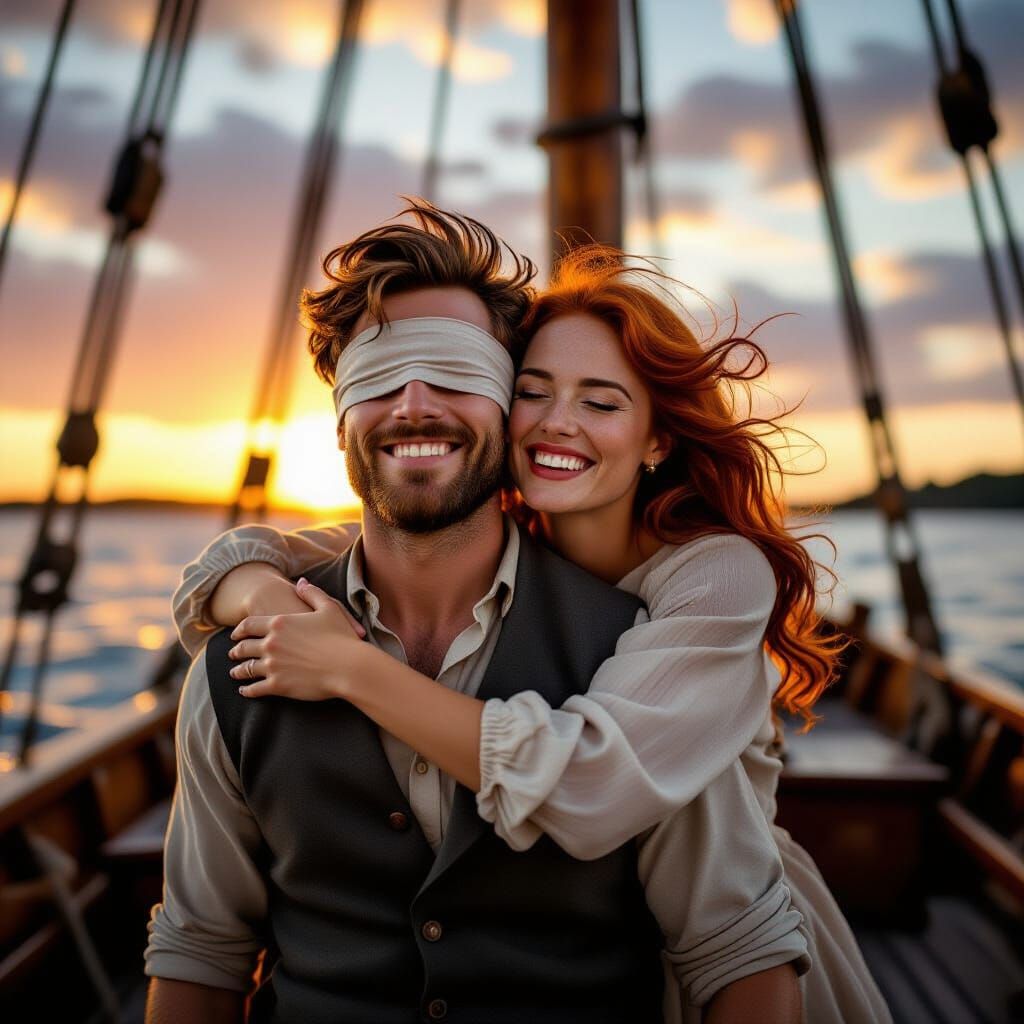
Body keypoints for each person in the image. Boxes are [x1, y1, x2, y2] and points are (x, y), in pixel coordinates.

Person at [145, 202, 810, 1024]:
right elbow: (201, 947)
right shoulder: (245, 660)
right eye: (379, 375)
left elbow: (735, 949)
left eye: (459, 374)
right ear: (341, 418)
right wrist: (247, 582)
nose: (416, 401)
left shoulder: (650, 657)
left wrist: (351, 667)